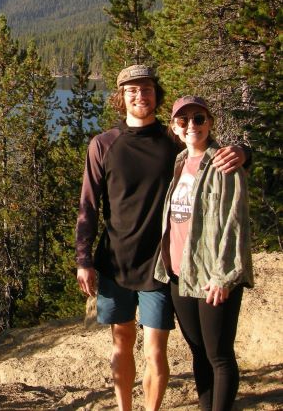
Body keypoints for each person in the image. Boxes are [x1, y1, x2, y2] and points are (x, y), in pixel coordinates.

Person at [75, 65, 245, 411]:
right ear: (120, 98)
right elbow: (88, 206)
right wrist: (84, 260)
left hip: (160, 267)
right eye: (132, 90)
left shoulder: (174, 141)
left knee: (155, 350)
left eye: (147, 89)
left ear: (156, 95)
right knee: (121, 344)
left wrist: (244, 151)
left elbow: (215, 155)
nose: (140, 95)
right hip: (115, 263)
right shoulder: (104, 144)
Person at [154, 96, 253, 411]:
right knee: (198, 352)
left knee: (219, 356)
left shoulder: (224, 163)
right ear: (175, 129)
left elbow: (235, 224)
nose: (191, 125)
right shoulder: (180, 162)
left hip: (213, 276)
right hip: (181, 274)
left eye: (198, 118)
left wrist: (224, 276)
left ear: (210, 122)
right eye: (183, 121)